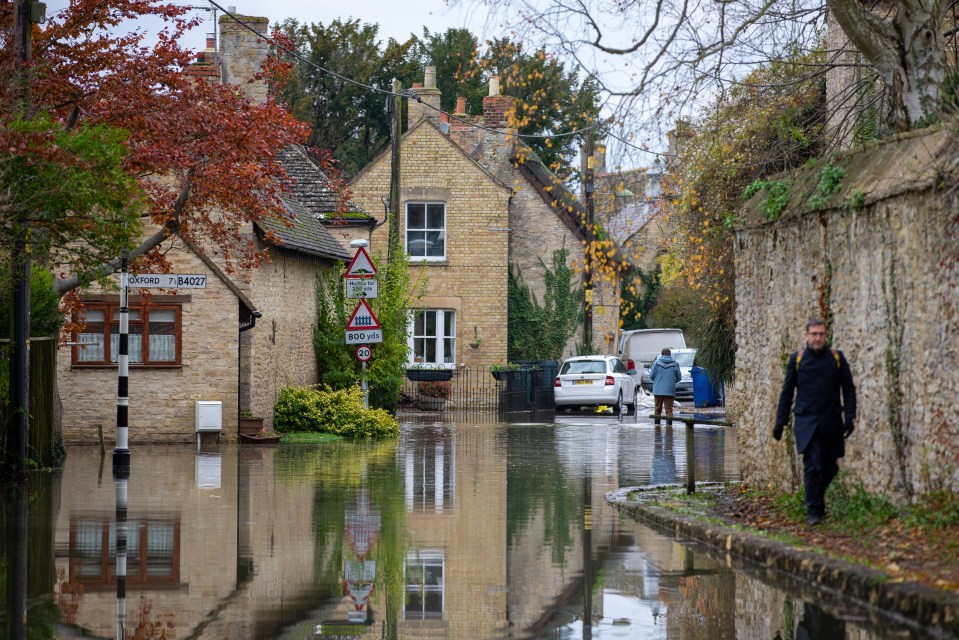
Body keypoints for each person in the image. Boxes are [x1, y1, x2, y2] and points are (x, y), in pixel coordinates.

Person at [774, 319, 857, 526]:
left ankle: (817, 501)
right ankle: (813, 512)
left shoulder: (837, 359)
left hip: (831, 421)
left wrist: (850, 417)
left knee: (830, 468)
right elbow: (787, 392)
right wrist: (780, 422)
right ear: (806, 335)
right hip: (806, 421)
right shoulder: (797, 360)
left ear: (825, 335)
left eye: (821, 334)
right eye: (814, 334)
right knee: (812, 465)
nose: (817, 337)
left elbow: (848, 389)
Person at [649, 348, 682, 426]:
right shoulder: (675, 364)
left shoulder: (656, 363)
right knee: (669, 409)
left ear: (662, 354)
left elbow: (651, 376)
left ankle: (657, 426)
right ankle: (669, 426)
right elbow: (679, 378)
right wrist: (671, 381)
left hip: (658, 390)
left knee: (657, 408)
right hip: (670, 390)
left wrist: (657, 380)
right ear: (670, 354)